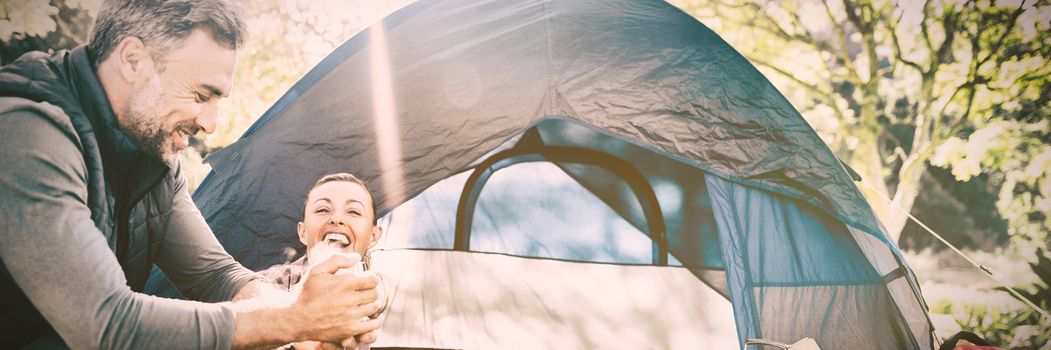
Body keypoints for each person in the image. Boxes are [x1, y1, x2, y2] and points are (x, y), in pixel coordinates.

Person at [0, 1, 382, 348]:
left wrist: (315, 313)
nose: (211, 124)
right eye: (201, 96)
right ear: (133, 60)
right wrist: (295, 319)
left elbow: (216, 275)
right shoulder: (26, 131)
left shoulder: (151, 155)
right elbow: (107, 325)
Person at [262, 173, 388, 350]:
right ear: (303, 232)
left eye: (353, 211)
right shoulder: (272, 283)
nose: (337, 219)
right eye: (322, 209)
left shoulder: (374, 293)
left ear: (373, 236)